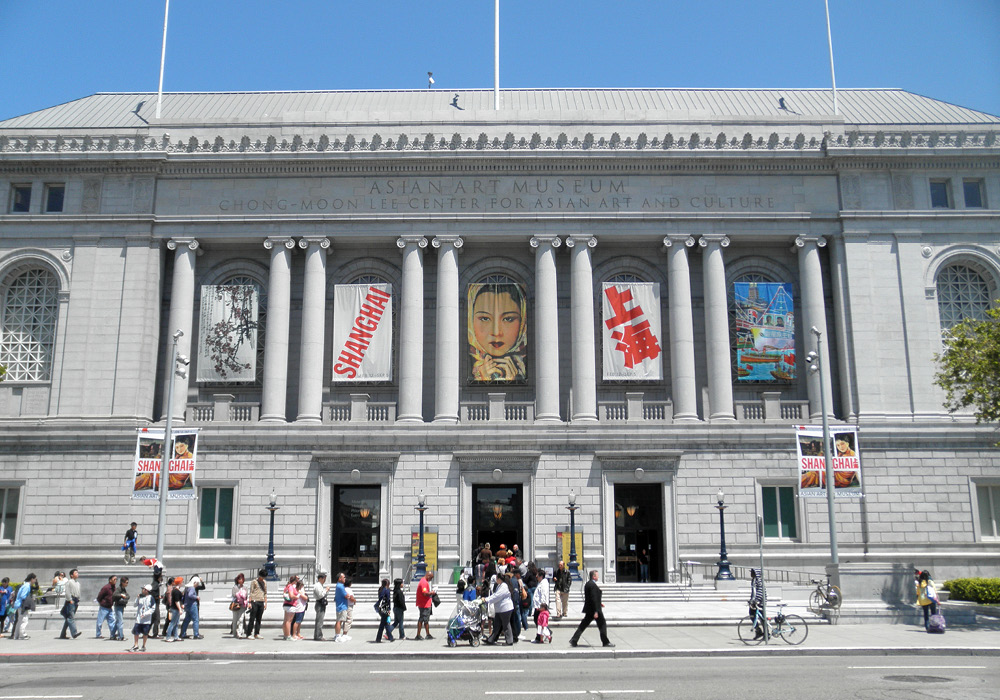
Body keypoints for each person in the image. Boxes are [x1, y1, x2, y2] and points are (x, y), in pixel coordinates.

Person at [468, 283, 527, 382]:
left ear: (522, 322)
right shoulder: (463, 364)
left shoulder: (528, 365)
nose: (496, 333)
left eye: (508, 319)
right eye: (485, 318)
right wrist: (481, 379)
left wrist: (514, 381)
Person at [569, 570, 613, 648]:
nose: (598, 576)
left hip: (590, 609)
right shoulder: (592, 585)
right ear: (593, 576)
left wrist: (599, 603)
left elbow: (593, 598)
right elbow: (593, 598)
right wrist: (596, 611)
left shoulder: (588, 584)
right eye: (597, 575)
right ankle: (605, 642)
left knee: (583, 625)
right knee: (602, 624)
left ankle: (574, 639)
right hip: (594, 610)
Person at [482, 573, 514, 645]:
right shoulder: (499, 586)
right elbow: (495, 595)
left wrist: (487, 600)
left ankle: (509, 641)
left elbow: (497, 596)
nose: (496, 580)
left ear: (499, 579)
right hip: (500, 609)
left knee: (506, 625)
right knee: (496, 625)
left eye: (497, 578)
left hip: (505, 608)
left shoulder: (504, 586)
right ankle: (491, 639)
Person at [9, 573, 37, 640]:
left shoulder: (25, 585)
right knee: (24, 620)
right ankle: (22, 635)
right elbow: (23, 596)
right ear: (32, 579)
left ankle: (17, 635)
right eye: (35, 579)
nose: (35, 581)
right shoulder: (27, 586)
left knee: (20, 620)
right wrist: (30, 599)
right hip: (22, 605)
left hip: (19, 604)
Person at [129, 584, 156, 652]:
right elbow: (135, 605)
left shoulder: (151, 598)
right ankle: (136, 645)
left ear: (146, 591)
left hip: (146, 619)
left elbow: (153, 608)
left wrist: (145, 614)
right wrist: (137, 598)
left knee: (145, 633)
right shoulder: (140, 597)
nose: (142, 590)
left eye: (143, 589)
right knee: (136, 632)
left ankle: (143, 645)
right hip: (139, 619)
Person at [59, 569, 82, 639]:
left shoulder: (78, 583)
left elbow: (78, 592)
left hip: (76, 601)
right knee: (71, 617)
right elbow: (67, 592)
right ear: (71, 575)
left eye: (77, 572)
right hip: (71, 601)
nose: (77, 574)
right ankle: (74, 633)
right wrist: (70, 599)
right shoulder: (69, 582)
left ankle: (62, 634)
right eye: (75, 573)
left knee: (68, 619)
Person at [245, 569, 267, 639]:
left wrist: (265, 603)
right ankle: (249, 633)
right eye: (262, 576)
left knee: (259, 618)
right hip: (254, 601)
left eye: (264, 577)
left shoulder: (264, 582)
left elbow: (265, 593)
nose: (263, 578)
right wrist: (249, 602)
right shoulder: (254, 582)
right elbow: (251, 592)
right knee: (252, 618)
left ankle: (257, 633)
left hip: (261, 601)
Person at [180, 574, 203, 639]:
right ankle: (196, 634)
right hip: (192, 605)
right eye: (197, 583)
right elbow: (190, 595)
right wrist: (196, 597)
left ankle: (183, 633)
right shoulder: (192, 588)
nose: (197, 585)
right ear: (194, 582)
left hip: (187, 605)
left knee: (187, 620)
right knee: (195, 620)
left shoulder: (187, 587)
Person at [414, 571, 435, 640]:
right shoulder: (424, 582)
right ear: (428, 576)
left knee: (425, 619)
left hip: (424, 603)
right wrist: (431, 592)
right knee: (422, 619)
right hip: (424, 604)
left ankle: (427, 634)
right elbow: (424, 593)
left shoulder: (423, 581)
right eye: (431, 578)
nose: (431, 580)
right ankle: (419, 634)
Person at [163, 576, 184, 642]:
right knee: (173, 623)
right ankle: (168, 637)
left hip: (174, 608)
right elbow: (176, 601)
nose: (182, 583)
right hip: (175, 609)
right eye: (182, 582)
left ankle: (176, 636)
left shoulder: (174, 590)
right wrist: (180, 608)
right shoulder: (176, 591)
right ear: (179, 583)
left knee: (176, 623)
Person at [374, 578, 394, 642]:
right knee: (384, 623)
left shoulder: (380, 589)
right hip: (385, 608)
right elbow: (388, 600)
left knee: (384, 623)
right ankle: (387, 637)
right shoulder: (387, 590)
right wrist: (389, 609)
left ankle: (389, 637)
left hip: (380, 608)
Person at [748, 568, 767, 639]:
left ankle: (766, 633)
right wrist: (751, 600)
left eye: (752, 572)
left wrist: (757, 600)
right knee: (752, 615)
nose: (751, 574)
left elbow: (760, 591)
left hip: (760, 602)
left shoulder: (759, 581)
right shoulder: (754, 581)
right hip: (755, 602)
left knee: (762, 618)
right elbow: (754, 592)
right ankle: (758, 631)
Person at [312, 572, 330, 640]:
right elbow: (320, 595)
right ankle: (318, 636)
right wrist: (326, 590)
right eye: (324, 578)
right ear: (320, 578)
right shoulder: (317, 585)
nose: (324, 580)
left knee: (320, 620)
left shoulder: (320, 585)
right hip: (319, 603)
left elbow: (323, 594)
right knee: (319, 621)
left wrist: (326, 591)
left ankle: (317, 635)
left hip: (322, 603)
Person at [332, 572, 350, 642]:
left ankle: (338, 634)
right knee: (339, 621)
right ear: (340, 578)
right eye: (343, 577)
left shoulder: (340, 586)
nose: (345, 579)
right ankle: (338, 635)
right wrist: (348, 595)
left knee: (340, 620)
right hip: (341, 606)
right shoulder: (340, 586)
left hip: (342, 605)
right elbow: (346, 595)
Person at [230, 573, 248, 638]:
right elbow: (234, 595)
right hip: (236, 605)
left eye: (241, 579)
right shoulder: (235, 588)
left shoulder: (245, 587)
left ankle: (239, 633)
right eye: (239, 579)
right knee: (235, 620)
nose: (240, 580)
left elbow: (246, 596)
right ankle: (234, 633)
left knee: (241, 619)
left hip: (242, 605)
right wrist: (239, 595)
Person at [281, 574, 299, 640]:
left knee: (285, 620)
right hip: (291, 605)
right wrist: (296, 597)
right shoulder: (291, 587)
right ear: (294, 581)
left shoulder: (287, 586)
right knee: (289, 621)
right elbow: (291, 595)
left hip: (286, 604)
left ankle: (285, 634)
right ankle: (288, 635)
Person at [112, 576, 130, 641]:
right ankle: (120, 636)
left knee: (118, 621)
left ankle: (112, 635)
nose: (127, 584)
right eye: (126, 583)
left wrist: (126, 597)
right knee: (120, 621)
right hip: (118, 606)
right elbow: (114, 595)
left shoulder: (123, 589)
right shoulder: (119, 589)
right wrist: (121, 595)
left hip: (121, 606)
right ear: (122, 582)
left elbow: (127, 595)